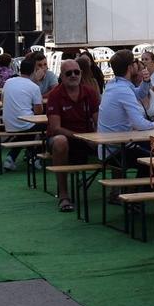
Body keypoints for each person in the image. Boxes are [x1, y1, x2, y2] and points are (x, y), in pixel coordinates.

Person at [45, 59, 100, 212]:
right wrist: (83, 137)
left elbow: (99, 122)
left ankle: (116, 192)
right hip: (62, 139)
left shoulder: (90, 92)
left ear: (81, 74)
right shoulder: (55, 95)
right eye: (69, 73)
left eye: (76, 72)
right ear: (61, 76)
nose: (73, 75)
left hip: (86, 138)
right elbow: (56, 128)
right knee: (60, 141)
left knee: (114, 141)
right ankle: (63, 195)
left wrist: (97, 137)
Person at [97, 50, 154, 170]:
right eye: (135, 61)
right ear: (130, 67)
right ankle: (143, 188)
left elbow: (139, 94)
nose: (138, 63)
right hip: (117, 151)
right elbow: (139, 123)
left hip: (108, 148)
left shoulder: (114, 84)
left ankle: (140, 187)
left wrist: (146, 82)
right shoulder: (123, 89)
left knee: (152, 152)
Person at [2, 56, 46, 172]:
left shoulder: (8, 82)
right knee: (48, 127)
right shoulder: (34, 87)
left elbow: (3, 101)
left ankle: (12, 157)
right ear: (34, 71)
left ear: (20, 69)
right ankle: (36, 156)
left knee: (27, 132)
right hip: (25, 124)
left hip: (8, 123)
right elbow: (39, 112)